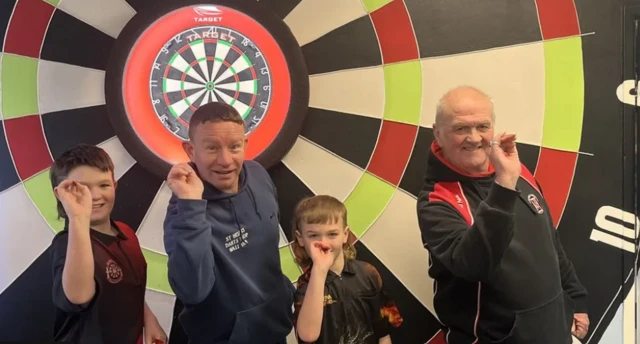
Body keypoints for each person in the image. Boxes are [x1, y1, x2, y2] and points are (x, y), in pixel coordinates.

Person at [416, 86, 589, 343]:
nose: (474, 138)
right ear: (438, 134)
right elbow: (475, 265)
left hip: (557, 331)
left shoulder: (518, 170)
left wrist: (574, 298)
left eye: (483, 126)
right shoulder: (436, 200)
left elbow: (549, 241)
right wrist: (504, 184)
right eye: (461, 128)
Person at [163, 102, 295, 344]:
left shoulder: (257, 174)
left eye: (234, 147)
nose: (225, 161)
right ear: (191, 151)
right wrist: (191, 205)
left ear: (245, 145)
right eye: (212, 148)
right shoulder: (182, 213)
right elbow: (192, 291)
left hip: (274, 332)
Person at [48, 143, 166, 344]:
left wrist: (148, 318)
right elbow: (78, 297)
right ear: (61, 194)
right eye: (81, 188)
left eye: (103, 185)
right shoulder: (68, 244)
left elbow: (128, 289)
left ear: (115, 185)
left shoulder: (126, 233)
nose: (94, 196)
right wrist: (77, 217)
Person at [290, 195, 403, 344]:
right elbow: (308, 336)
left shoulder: (368, 273)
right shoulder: (306, 285)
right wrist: (319, 270)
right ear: (301, 238)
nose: (324, 243)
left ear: (345, 234)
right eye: (313, 235)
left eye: (332, 234)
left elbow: (384, 332)